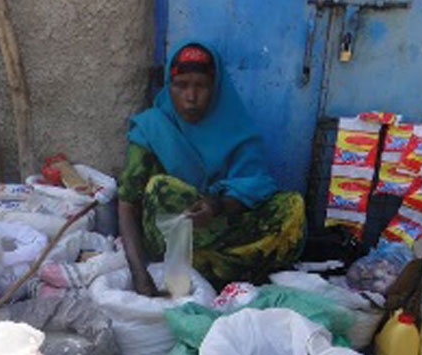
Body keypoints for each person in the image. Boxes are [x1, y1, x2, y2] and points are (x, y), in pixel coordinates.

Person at [118, 41, 306, 296]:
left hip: (220, 224)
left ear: (215, 88)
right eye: (181, 85)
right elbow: (127, 204)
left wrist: (216, 205)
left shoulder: (236, 128)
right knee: (160, 188)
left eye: (201, 86)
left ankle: (219, 267)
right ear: (168, 86)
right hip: (172, 236)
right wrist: (140, 275)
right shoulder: (152, 128)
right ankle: (236, 269)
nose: (191, 97)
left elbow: (253, 185)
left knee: (292, 207)